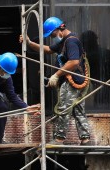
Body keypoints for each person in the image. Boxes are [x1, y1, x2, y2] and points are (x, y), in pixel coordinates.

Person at [19, 16, 92, 145]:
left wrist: (56, 75)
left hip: (72, 81)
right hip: (78, 81)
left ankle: (59, 139)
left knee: (63, 108)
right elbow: (48, 49)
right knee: (78, 110)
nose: (52, 37)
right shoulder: (64, 41)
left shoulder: (71, 42)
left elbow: (74, 62)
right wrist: (29, 43)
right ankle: (85, 138)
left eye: (52, 34)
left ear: (59, 29)